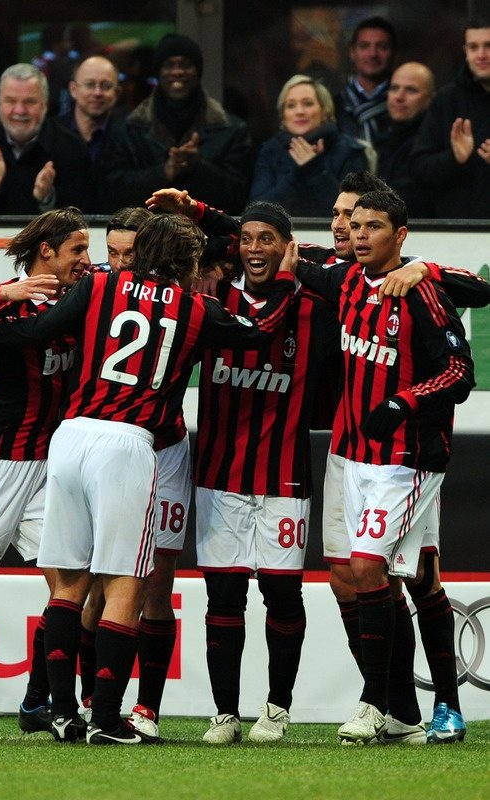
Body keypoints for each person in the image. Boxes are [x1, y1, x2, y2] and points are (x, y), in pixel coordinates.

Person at [0, 213, 297, 746]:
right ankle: (106, 718)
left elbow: (35, 330)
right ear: (186, 262)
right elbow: (258, 336)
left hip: (70, 436)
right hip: (128, 444)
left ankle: (60, 712)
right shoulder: (197, 308)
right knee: (125, 584)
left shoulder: (100, 284)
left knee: (69, 583)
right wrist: (282, 279)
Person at [146, 189, 339, 744]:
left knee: (282, 595)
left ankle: (277, 708)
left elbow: (347, 267)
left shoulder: (314, 307)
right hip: (219, 475)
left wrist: (203, 210)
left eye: (268, 240)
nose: (255, 249)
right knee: (223, 595)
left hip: (284, 477)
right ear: (235, 248)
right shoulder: (212, 302)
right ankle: (225, 713)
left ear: (287, 249)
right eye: (247, 239)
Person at [296, 189, 475, 745]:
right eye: (355, 224)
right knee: (421, 576)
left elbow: (458, 373)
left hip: (408, 460)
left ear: (399, 235)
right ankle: (438, 708)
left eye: (374, 226)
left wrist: (403, 401)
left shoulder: (423, 292)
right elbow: (271, 246)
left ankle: (376, 702)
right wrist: (202, 216)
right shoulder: (344, 281)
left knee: (368, 567)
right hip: (359, 460)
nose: (360, 233)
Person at [0, 208, 91, 734]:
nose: (87, 259)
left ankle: (45, 703)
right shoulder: (9, 306)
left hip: (51, 464)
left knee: (71, 583)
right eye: (77, 250)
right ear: (47, 253)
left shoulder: (83, 300)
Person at [78, 203, 193, 744]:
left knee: (153, 586)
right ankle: (88, 703)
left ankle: (145, 707)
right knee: (96, 584)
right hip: (111, 446)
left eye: (132, 253)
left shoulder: (192, 295)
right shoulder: (95, 289)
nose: (121, 263)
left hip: (164, 449)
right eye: (113, 253)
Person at [98, 33, 252, 214]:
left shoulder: (232, 130)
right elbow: (112, 191)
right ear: (158, 72)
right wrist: (164, 171)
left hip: (209, 235)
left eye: (186, 65)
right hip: (145, 234)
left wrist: (199, 165)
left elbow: (240, 196)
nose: (177, 71)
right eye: (169, 65)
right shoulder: (128, 128)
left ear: (198, 71)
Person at [0, 63, 96, 215]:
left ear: (45, 104)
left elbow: (85, 212)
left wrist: (48, 198)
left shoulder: (72, 147)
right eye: (10, 101)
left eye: (29, 102)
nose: (19, 110)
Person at [249, 75, 371, 216]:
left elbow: (353, 213)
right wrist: (297, 173)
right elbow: (256, 211)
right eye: (291, 105)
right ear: (283, 115)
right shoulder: (271, 150)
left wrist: (314, 168)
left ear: (325, 112)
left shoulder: (349, 150)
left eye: (307, 104)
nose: (299, 111)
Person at [409, 19, 490, 219]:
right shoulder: (447, 100)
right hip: (458, 232)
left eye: (489, 46)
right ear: (465, 51)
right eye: (473, 47)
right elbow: (419, 169)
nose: (481, 54)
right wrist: (453, 158)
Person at [377, 62, 436, 217]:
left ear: (431, 98)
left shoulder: (433, 145)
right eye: (394, 88)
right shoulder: (381, 136)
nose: (399, 97)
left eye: (411, 90)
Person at [334, 17, 396, 146]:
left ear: (393, 53)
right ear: (352, 52)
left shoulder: (404, 104)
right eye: (364, 46)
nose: (373, 54)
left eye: (382, 47)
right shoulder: (333, 106)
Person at [58, 56, 125, 167]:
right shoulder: (51, 133)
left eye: (106, 86)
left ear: (117, 93)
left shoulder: (131, 137)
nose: (97, 93)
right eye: (89, 84)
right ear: (73, 90)